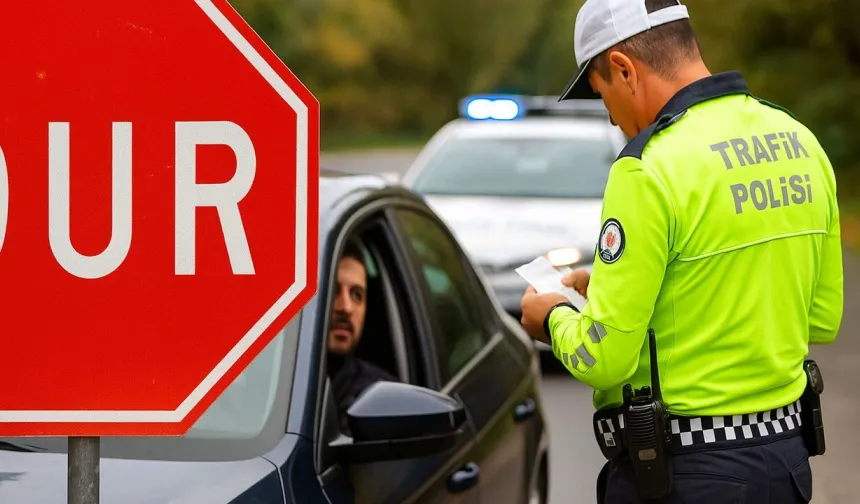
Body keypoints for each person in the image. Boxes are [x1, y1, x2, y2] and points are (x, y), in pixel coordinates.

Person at [519, 0, 843, 502]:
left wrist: (554, 317)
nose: (611, 119)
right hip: (786, 464)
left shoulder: (647, 166)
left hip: (685, 475)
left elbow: (602, 357)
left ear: (624, 68)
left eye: (603, 95)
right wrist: (615, 288)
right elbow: (820, 319)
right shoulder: (800, 140)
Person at [327, 239, 398, 435]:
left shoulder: (380, 396)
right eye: (332, 290)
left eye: (357, 295)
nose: (346, 308)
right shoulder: (261, 388)